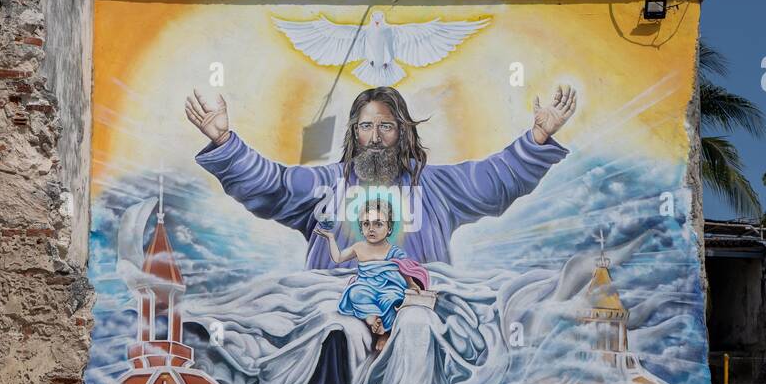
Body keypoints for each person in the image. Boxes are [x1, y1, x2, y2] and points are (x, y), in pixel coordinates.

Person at [185, 82, 577, 269]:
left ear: (402, 132)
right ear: (355, 133)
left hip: (414, 316)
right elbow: (273, 186)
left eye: (386, 127)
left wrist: (538, 137)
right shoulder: (328, 186)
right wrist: (224, 141)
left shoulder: (434, 187)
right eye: (367, 127)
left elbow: (493, 180)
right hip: (337, 317)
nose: (376, 138)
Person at [317, 200, 430, 351]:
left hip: (389, 286)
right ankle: (372, 319)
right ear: (361, 228)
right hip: (366, 285)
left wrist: (411, 284)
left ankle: (385, 331)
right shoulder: (358, 247)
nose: (371, 229)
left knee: (391, 299)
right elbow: (338, 258)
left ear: (389, 228)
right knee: (355, 293)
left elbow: (404, 269)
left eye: (378, 224)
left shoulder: (394, 251)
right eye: (366, 224)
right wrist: (331, 238)